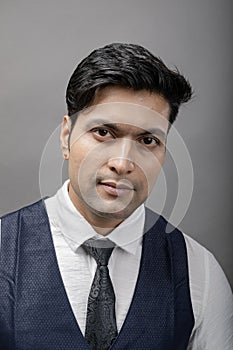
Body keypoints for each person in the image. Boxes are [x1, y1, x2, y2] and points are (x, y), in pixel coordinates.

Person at [0, 43, 232, 350]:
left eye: (148, 140)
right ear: (67, 137)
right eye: (104, 132)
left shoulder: (198, 270)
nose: (122, 163)